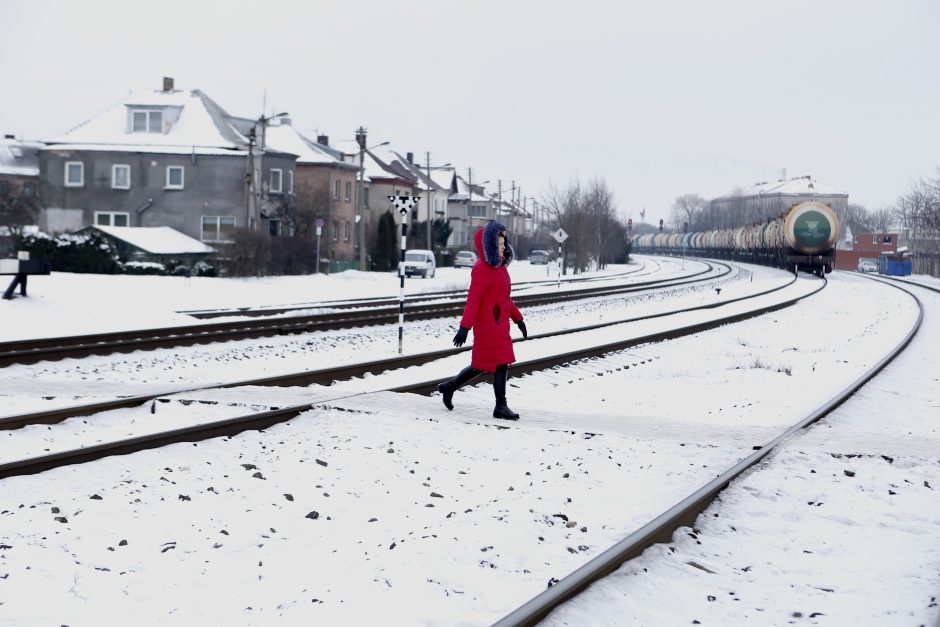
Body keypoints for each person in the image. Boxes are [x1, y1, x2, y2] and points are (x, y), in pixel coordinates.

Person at [437, 221, 528, 419]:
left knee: (482, 364)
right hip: (487, 325)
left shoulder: (501, 267)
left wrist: (518, 319)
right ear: (490, 245)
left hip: (499, 324)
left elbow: (505, 299)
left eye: (504, 243)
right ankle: (500, 406)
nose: (503, 247)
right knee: (500, 362)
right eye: (500, 243)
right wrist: (464, 328)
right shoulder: (482, 268)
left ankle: (449, 387)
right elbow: (473, 299)